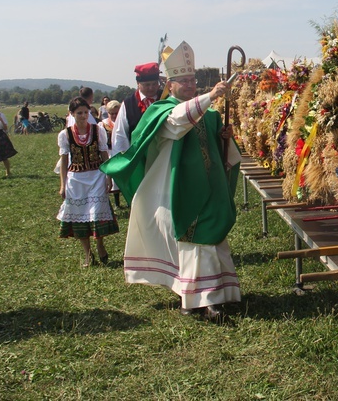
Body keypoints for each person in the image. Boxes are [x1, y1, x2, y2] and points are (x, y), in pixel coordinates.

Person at [102, 41, 241, 322]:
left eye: (193, 80)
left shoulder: (208, 112)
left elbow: (218, 145)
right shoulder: (163, 111)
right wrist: (211, 95)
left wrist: (224, 137)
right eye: (183, 81)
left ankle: (222, 293)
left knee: (213, 235)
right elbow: (179, 123)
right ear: (170, 83)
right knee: (194, 239)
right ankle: (196, 301)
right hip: (181, 188)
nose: (190, 85)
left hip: (211, 186)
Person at [57, 97, 119, 267]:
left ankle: (100, 245)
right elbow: (63, 161)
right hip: (76, 180)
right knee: (79, 217)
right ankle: (87, 254)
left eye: (86, 112)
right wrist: (63, 185)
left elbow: (104, 154)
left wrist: (108, 176)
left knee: (97, 213)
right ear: (72, 114)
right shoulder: (65, 134)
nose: (83, 116)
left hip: (96, 176)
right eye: (79, 113)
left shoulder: (97, 130)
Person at [111, 62, 161, 156]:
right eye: (147, 85)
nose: (151, 88)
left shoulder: (165, 98)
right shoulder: (128, 104)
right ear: (138, 83)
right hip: (139, 157)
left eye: (154, 84)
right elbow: (120, 135)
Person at [100, 100, 123, 207]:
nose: (114, 115)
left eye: (116, 113)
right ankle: (117, 203)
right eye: (111, 113)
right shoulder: (102, 124)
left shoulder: (123, 122)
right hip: (109, 152)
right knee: (112, 178)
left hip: (122, 152)